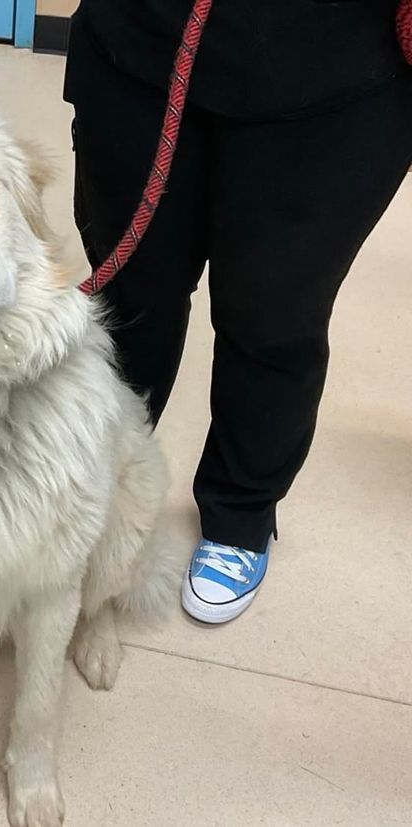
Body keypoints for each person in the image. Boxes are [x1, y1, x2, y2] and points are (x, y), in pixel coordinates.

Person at [64, 0, 412, 623]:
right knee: (128, 299)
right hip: (141, 45)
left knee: (273, 316)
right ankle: (87, 486)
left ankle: (240, 511)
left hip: (335, 74)